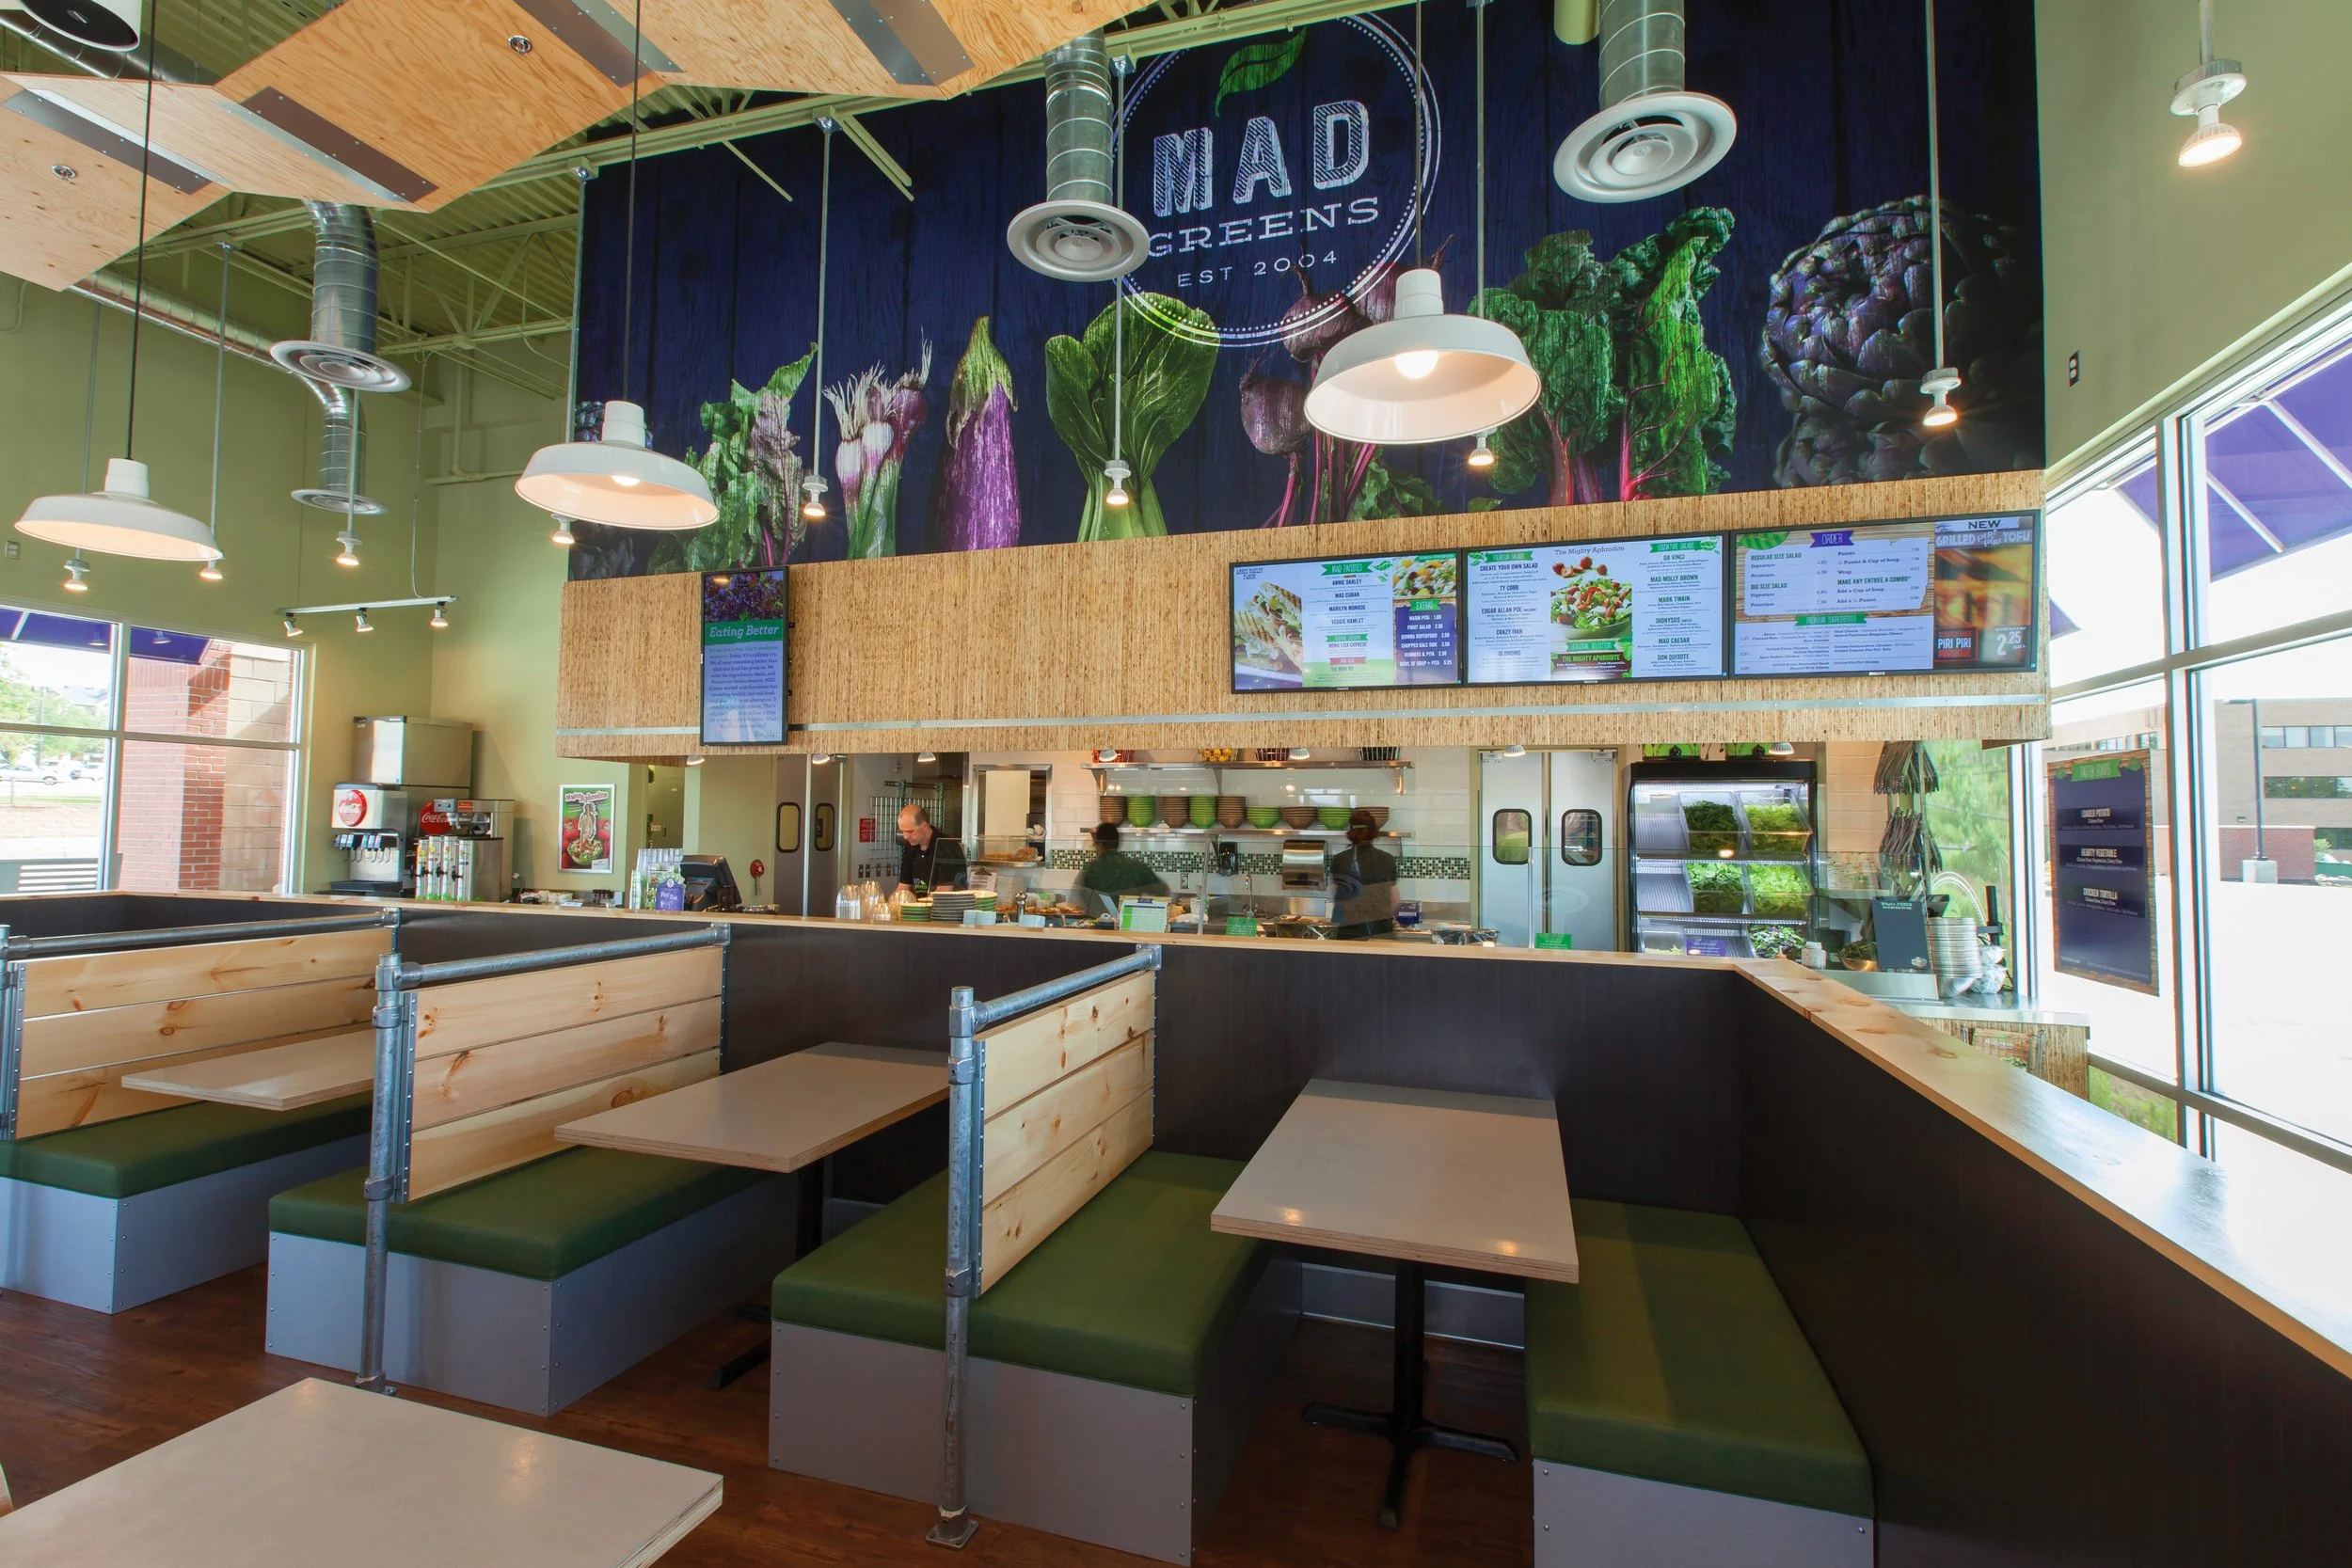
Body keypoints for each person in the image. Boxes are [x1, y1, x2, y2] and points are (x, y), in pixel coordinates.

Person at [1328, 808, 1399, 939]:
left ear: (1351, 832)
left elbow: (1335, 894)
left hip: (1348, 932)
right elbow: (1394, 900)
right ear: (1374, 833)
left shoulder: (1339, 860)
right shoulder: (1387, 859)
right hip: (1381, 932)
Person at [1075, 821, 1168, 915]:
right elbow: (1164, 890)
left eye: (1095, 844)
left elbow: (1079, 901)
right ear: (1118, 843)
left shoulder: (1090, 869)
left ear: (1099, 844)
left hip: (1099, 922)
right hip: (1129, 921)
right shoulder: (1137, 867)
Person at [894, 803, 966, 896]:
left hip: (945, 904)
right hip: (920, 903)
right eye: (902, 831)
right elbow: (903, 887)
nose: (905, 836)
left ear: (924, 826)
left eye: (910, 831)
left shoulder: (947, 846)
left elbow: (943, 893)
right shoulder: (911, 847)